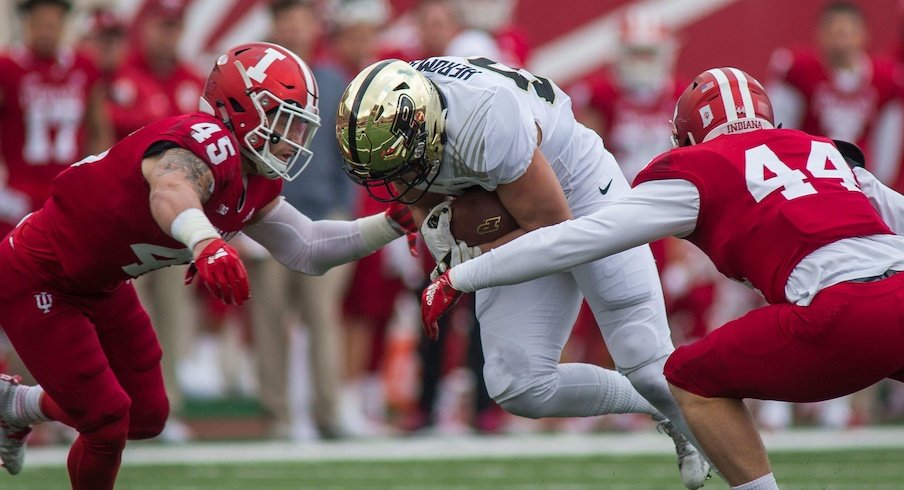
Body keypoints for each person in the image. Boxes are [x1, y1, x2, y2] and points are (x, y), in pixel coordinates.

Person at [422, 66, 904, 490]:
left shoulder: (699, 171)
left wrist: (462, 276)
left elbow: (571, 239)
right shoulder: (827, 153)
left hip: (839, 313)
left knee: (688, 378)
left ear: (686, 138)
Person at [0, 42, 416, 488]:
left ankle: (17, 405)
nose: (291, 137)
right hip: (40, 274)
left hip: (102, 283)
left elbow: (306, 247)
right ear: (239, 107)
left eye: (297, 125)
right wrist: (207, 244)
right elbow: (169, 188)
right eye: (281, 119)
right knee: (105, 422)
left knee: (148, 416)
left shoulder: (252, 177)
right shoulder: (208, 140)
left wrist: (391, 223)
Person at [336, 58, 710, 489]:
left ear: (427, 125)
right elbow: (420, 189)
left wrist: (460, 272)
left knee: (645, 360)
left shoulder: (484, 120)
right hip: (504, 192)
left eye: (401, 166)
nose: (396, 183)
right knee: (519, 384)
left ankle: (713, 432)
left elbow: (555, 232)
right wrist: (442, 239)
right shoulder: (405, 117)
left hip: (578, 190)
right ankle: (660, 405)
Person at [0, 0, 113, 239]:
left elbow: (99, 128)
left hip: (66, 192)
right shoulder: (8, 67)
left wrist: (96, 178)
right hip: (18, 193)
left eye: (53, 24)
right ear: (27, 23)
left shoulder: (83, 66)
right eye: (41, 24)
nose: (47, 32)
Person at [767, 1, 904, 190]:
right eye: (834, 31)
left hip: (860, 183)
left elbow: (887, 153)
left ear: (863, 34)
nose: (840, 42)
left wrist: (877, 187)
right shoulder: (799, 71)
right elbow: (777, 133)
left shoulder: (886, 80)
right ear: (819, 33)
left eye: (846, 32)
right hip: (807, 181)